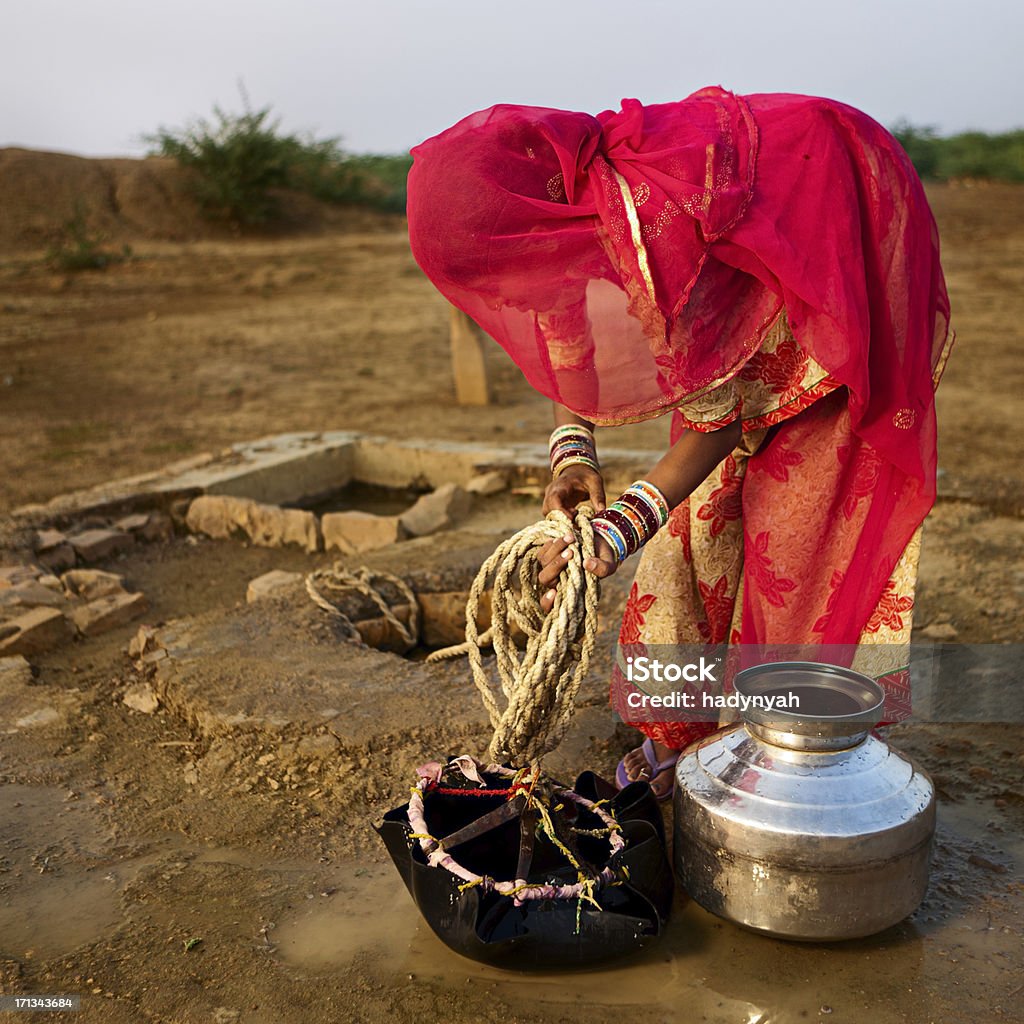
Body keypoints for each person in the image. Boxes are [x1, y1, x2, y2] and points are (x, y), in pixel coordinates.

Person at [407, 87, 953, 798]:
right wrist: (572, 451)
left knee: (799, 539)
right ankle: (688, 740)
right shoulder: (575, 205)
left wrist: (618, 527)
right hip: (739, 307)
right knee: (699, 537)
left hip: (841, 234)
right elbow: (559, 317)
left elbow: (720, 418)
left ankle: (783, 765)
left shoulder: (655, 221)